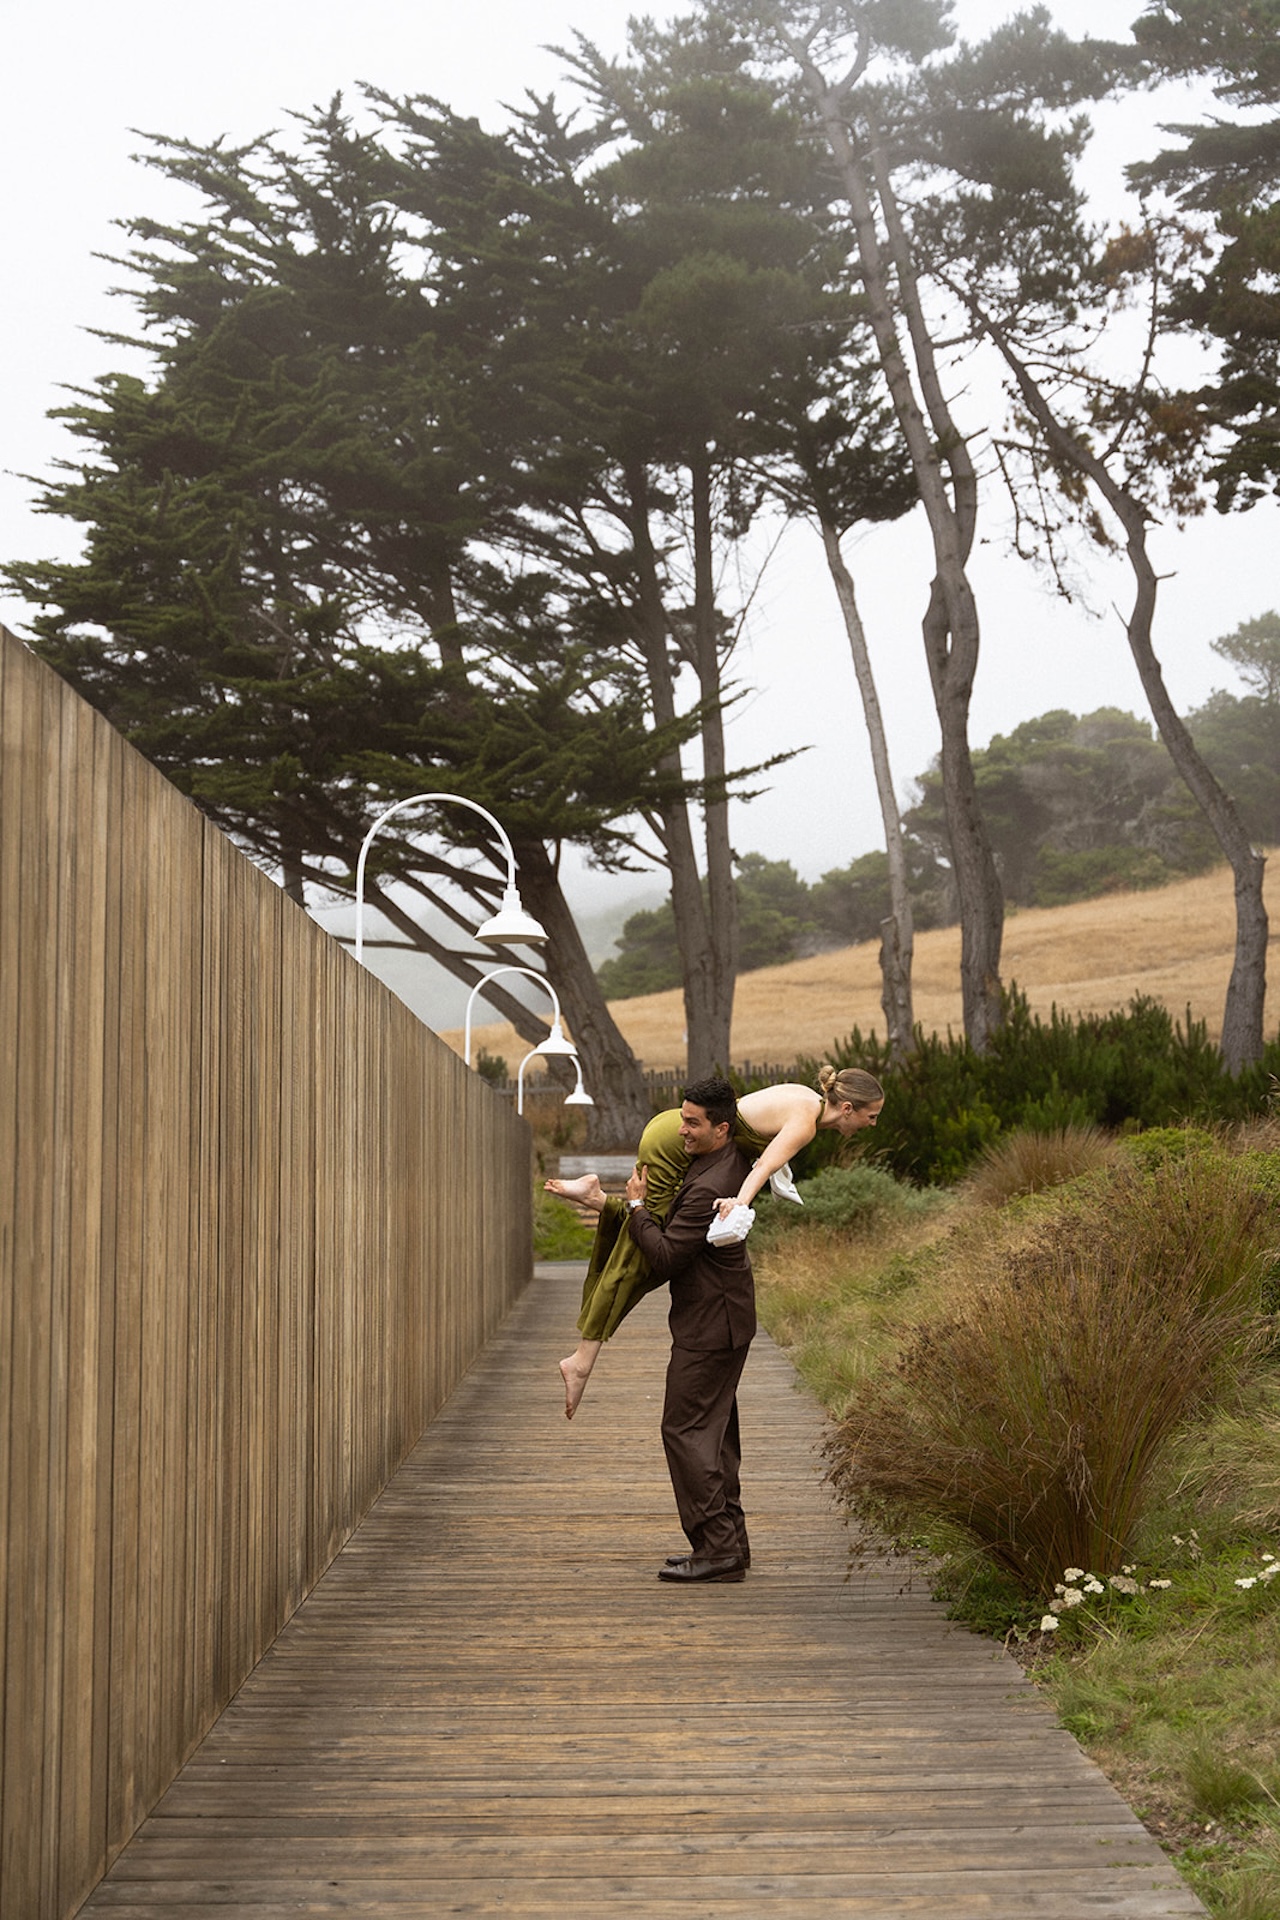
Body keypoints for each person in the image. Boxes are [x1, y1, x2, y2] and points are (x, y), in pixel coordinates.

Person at [547, 1064, 884, 1418]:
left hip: (675, 1129)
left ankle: (596, 1197)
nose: (871, 1125)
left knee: (649, 1229)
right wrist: (739, 1202)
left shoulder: (807, 1100)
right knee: (639, 1258)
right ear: (847, 1109)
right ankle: (581, 1361)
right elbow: (764, 1165)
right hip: (673, 1142)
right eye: (871, 1116)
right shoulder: (805, 1122)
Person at [624, 1077, 758, 1582]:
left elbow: (664, 1257)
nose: (682, 1129)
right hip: (726, 1319)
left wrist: (637, 1208)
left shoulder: (707, 1186)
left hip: (709, 1326)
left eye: (693, 1122)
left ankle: (718, 1550)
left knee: (683, 1430)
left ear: (722, 1128)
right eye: (683, 1118)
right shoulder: (725, 1164)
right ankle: (730, 1544)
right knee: (716, 1433)